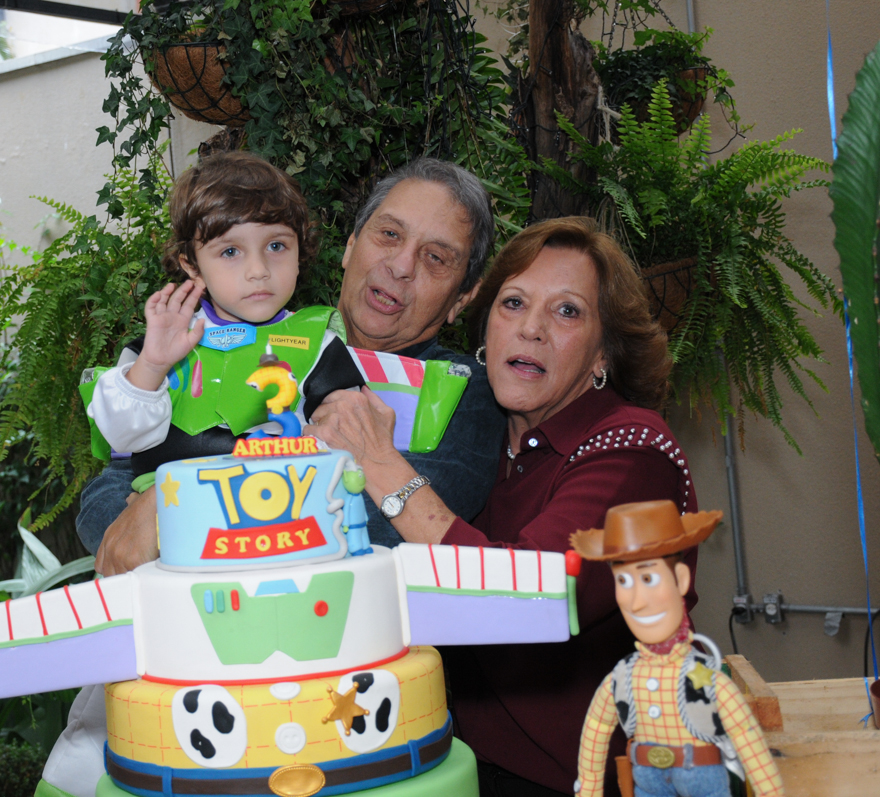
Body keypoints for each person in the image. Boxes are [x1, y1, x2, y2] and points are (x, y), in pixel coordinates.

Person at [307, 216, 698, 795]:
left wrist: (381, 463)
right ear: (486, 328)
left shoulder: (634, 451)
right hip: (460, 768)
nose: (532, 329)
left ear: (602, 355)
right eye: (514, 302)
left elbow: (534, 596)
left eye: (568, 311)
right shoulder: (480, 440)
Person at [76, 157, 507, 576]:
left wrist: (169, 505)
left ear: (464, 297)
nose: (401, 265)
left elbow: (380, 526)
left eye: (435, 258)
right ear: (351, 246)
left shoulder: (458, 393)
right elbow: (107, 496)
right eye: (389, 234)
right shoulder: (199, 345)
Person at [85, 151, 367, 489]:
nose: (259, 271)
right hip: (167, 513)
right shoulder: (158, 345)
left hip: (280, 508)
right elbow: (122, 436)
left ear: (300, 251)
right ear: (191, 265)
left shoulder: (319, 345)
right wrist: (152, 366)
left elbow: (353, 442)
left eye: (276, 246)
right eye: (230, 252)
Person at [571, 500, 782, 797]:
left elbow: (747, 738)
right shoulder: (622, 679)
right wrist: (589, 789)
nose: (636, 600)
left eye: (648, 578)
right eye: (623, 580)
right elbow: (595, 727)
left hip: (703, 781)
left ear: (681, 579)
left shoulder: (707, 680)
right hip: (645, 782)